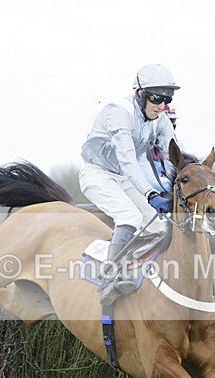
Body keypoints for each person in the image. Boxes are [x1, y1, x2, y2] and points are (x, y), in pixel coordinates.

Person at [80, 64, 179, 306]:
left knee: (159, 225)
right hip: (96, 174)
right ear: (140, 94)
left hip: (122, 178)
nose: (161, 105)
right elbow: (127, 160)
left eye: (167, 99)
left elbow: (175, 157)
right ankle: (109, 278)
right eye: (156, 98)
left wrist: (185, 186)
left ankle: (137, 271)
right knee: (130, 217)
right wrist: (151, 193)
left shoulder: (161, 120)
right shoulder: (119, 111)